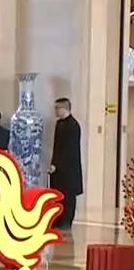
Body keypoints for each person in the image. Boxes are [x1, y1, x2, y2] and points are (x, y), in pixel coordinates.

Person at [50, 97, 83, 230]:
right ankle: (57, 219)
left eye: (57, 108)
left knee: (68, 197)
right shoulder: (59, 124)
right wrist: (53, 163)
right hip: (58, 168)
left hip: (69, 168)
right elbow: (57, 147)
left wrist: (57, 164)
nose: (55, 111)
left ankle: (66, 221)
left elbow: (69, 150)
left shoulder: (73, 126)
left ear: (64, 108)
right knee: (58, 195)